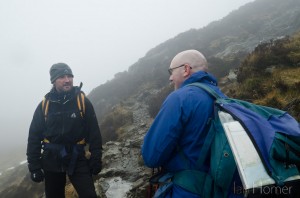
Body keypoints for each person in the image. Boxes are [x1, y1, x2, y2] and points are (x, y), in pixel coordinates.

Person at [142, 50, 241, 198]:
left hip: (188, 191)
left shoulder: (179, 98)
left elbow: (151, 156)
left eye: (171, 71)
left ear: (186, 69)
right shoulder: (223, 98)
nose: (170, 78)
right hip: (224, 190)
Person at [27, 63, 102, 198]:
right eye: (62, 77)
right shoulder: (45, 105)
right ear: (54, 81)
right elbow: (34, 136)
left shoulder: (82, 101)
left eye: (69, 76)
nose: (67, 80)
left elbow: (94, 132)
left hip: (77, 157)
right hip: (51, 159)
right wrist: (34, 166)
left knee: (89, 195)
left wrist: (96, 158)